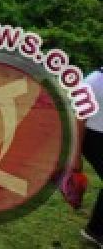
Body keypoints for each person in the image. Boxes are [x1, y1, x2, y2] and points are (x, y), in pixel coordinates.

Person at [72, 66, 103, 247]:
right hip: (91, 137)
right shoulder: (94, 81)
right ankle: (95, 232)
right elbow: (78, 118)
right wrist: (75, 155)